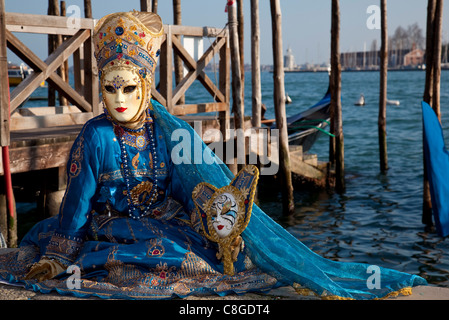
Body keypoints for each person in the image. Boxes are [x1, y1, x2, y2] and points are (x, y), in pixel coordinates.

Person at [0, 11, 426, 300]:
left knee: (215, 258)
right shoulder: (94, 137)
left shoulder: (165, 131)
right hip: (110, 228)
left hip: (166, 219)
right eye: (111, 89)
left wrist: (216, 217)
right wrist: (58, 257)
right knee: (165, 263)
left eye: (130, 88)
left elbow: (188, 186)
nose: (121, 98)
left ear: (146, 86)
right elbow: (75, 202)